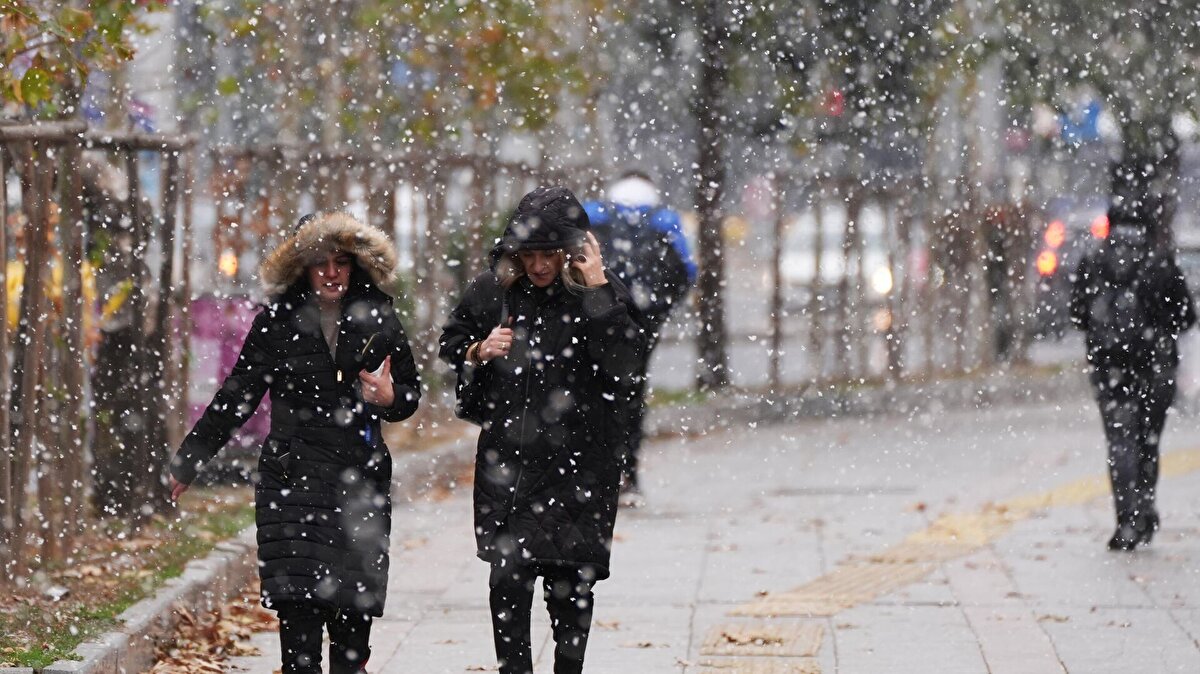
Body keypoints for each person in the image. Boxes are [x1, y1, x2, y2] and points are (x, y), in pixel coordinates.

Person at [167, 212, 421, 674]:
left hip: (358, 487)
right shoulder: (277, 323)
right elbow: (237, 395)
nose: (330, 272)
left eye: (340, 261)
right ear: (300, 266)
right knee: (299, 639)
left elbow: (407, 393)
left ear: (356, 264)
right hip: (292, 488)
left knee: (350, 641)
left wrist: (388, 397)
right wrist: (188, 462)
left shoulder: (378, 315)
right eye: (318, 261)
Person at [439, 186, 645, 674]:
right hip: (509, 465)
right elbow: (452, 341)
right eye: (528, 255)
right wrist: (477, 350)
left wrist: (598, 293)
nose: (537, 266)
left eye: (548, 254)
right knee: (507, 584)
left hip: (580, 468)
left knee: (570, 588)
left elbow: (626, 366)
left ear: (570, 250)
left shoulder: (602, 290)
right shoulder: (494, 291)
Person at [1070, 196, 1195, 551]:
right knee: (1148, 440)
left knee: (1120, 441)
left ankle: (1126, 519)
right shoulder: (1160, 262)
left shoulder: (1093, 260)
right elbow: (1186, 318)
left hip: (1111, 367)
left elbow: (1079, 316)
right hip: (1155, 367)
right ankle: (1144, 506)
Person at [582, 171, 695, 502]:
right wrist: (660, 309)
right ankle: (626, 475)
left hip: (595, 314)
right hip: (643, 319)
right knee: (631, 392)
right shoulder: (663, 219)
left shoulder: (593, 213)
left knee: (590, 388)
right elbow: (687, 270)